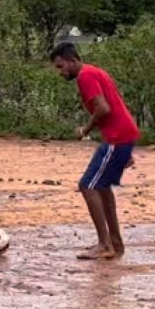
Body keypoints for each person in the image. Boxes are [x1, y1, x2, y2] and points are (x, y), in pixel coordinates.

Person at [49, 41, 140, 260]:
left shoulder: (85, 76)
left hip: (117, 138)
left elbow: (104, 108)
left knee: (88, 185)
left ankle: (104, 244)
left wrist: (85, 129)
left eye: (61, 66)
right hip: (121, 136)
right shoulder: (94, 71)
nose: (60, 72)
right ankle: (115, 243)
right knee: (101, 187)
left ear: (72, 60)